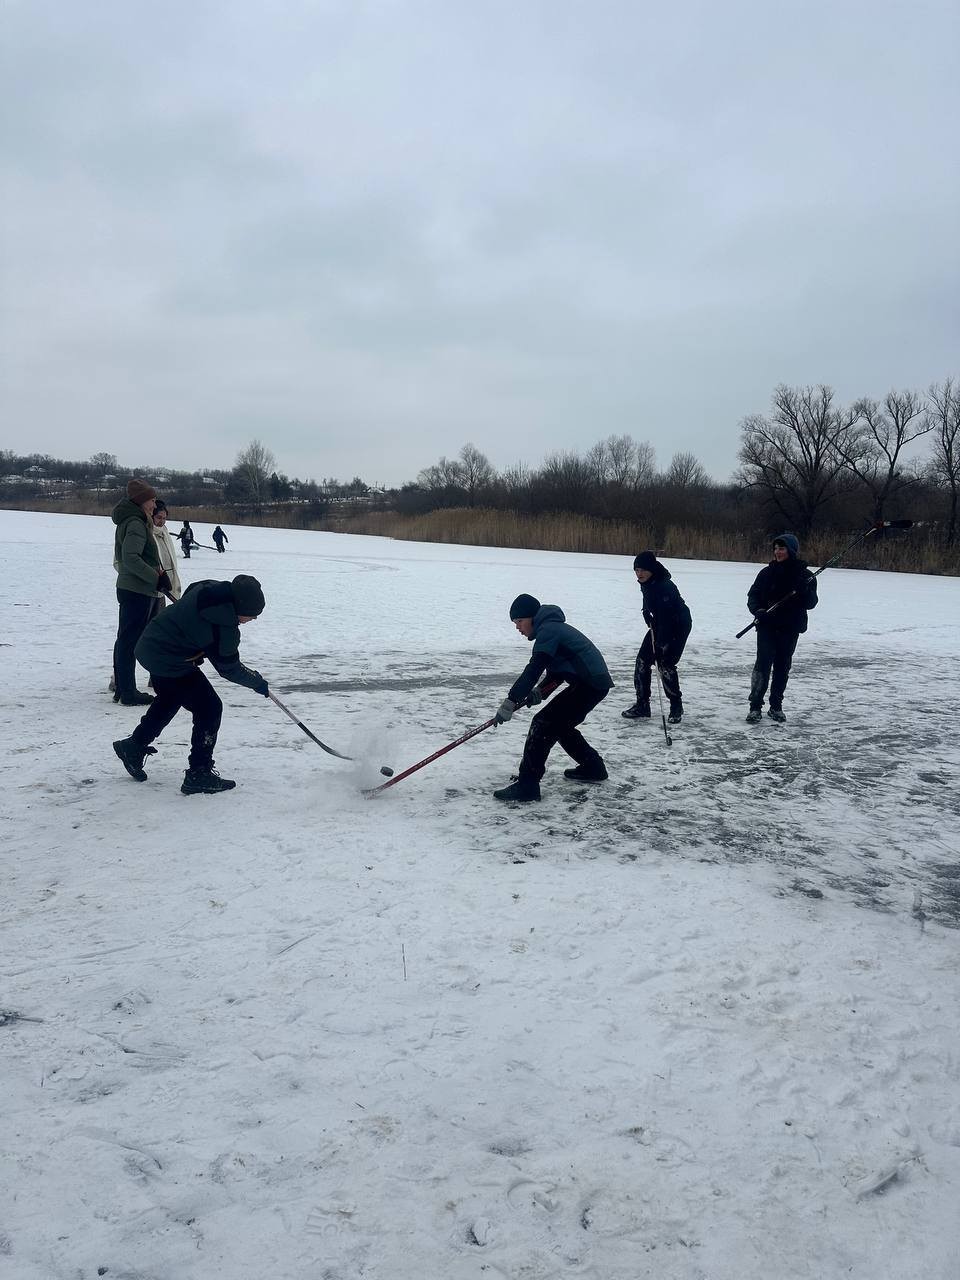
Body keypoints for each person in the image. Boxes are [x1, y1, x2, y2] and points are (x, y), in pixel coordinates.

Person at [112, 575, 270, 794]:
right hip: (167, 658)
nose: (252, 619)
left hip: (151, 644)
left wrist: (191, 641)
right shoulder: (223, 627)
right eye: (251, 615)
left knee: (170, 698)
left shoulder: (210, 590)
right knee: (210, 707)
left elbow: (191, 591)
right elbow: (229, 668)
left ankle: (133, 746)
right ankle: (199, 773)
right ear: (238, 607)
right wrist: (257, 682)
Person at [491, 594, 613, 802]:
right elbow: (557, 673)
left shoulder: (549, 630)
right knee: (559, 726)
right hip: (593, 684)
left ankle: (527, 785)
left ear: (531, 617)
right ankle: (593, 767)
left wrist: (510, 701)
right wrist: (539, 692)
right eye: (515, 623)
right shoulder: (551, 628)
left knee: (543, 724)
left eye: (519, 621)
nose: (518, 627)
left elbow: (534, 669)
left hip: (589, 684)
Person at [745, 533, 818, 724]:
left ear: (791, 551)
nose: (777, 552)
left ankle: (776, 706)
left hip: (790, 627)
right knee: (762, 665)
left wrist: (805, 591)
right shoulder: (766, 573)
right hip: (767, 626)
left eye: (782, 548)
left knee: (782, 666)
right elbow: (753, 596)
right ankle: (755, 706)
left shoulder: (805, 576)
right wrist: (758, 610)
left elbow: (812, 603)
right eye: (776, 548)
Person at [111, 478, 170, 705]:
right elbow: (131, 559)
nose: (155, 505)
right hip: (136, 590)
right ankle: (128, 692)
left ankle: (123, 688)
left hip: (136, 588)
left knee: (126, 640)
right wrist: (155, 578)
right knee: (130, 642)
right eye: (152, 500)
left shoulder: (135, 520)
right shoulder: (135, 523)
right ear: (142, 501)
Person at [622, 551, 692, 725]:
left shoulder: (665, 586)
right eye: (636, 570)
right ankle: (642, 705)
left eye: (643, 570)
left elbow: (669, 617)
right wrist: (646, 610)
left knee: (665, 663)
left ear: (651, 569)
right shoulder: (646, 581)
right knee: (642, 661)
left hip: (678, 625)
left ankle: (676, 705)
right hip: (660, 623)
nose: (639, 574)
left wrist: (662, 643)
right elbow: (649, 598)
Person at [152, 501, 183, 601]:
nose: (162, 521)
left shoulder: (164, 532)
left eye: (164, 518)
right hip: (151, 585)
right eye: (159, 517)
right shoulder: (147, 532)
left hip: (163, 586)